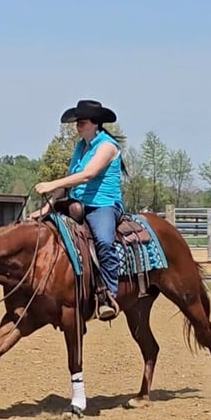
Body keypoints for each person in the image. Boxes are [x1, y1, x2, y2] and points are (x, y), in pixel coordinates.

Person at [33, 99, 126, 321]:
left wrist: (51, 184)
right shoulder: (80, 147)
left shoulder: (107, 146)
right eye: (77, 123)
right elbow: (70, 182)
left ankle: (108, 295)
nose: (77, 126)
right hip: (77, 203)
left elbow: (87, 175)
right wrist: (46, 207)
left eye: (81, 122)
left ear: (95, 123)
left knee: (103, 240)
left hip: (103, 205)